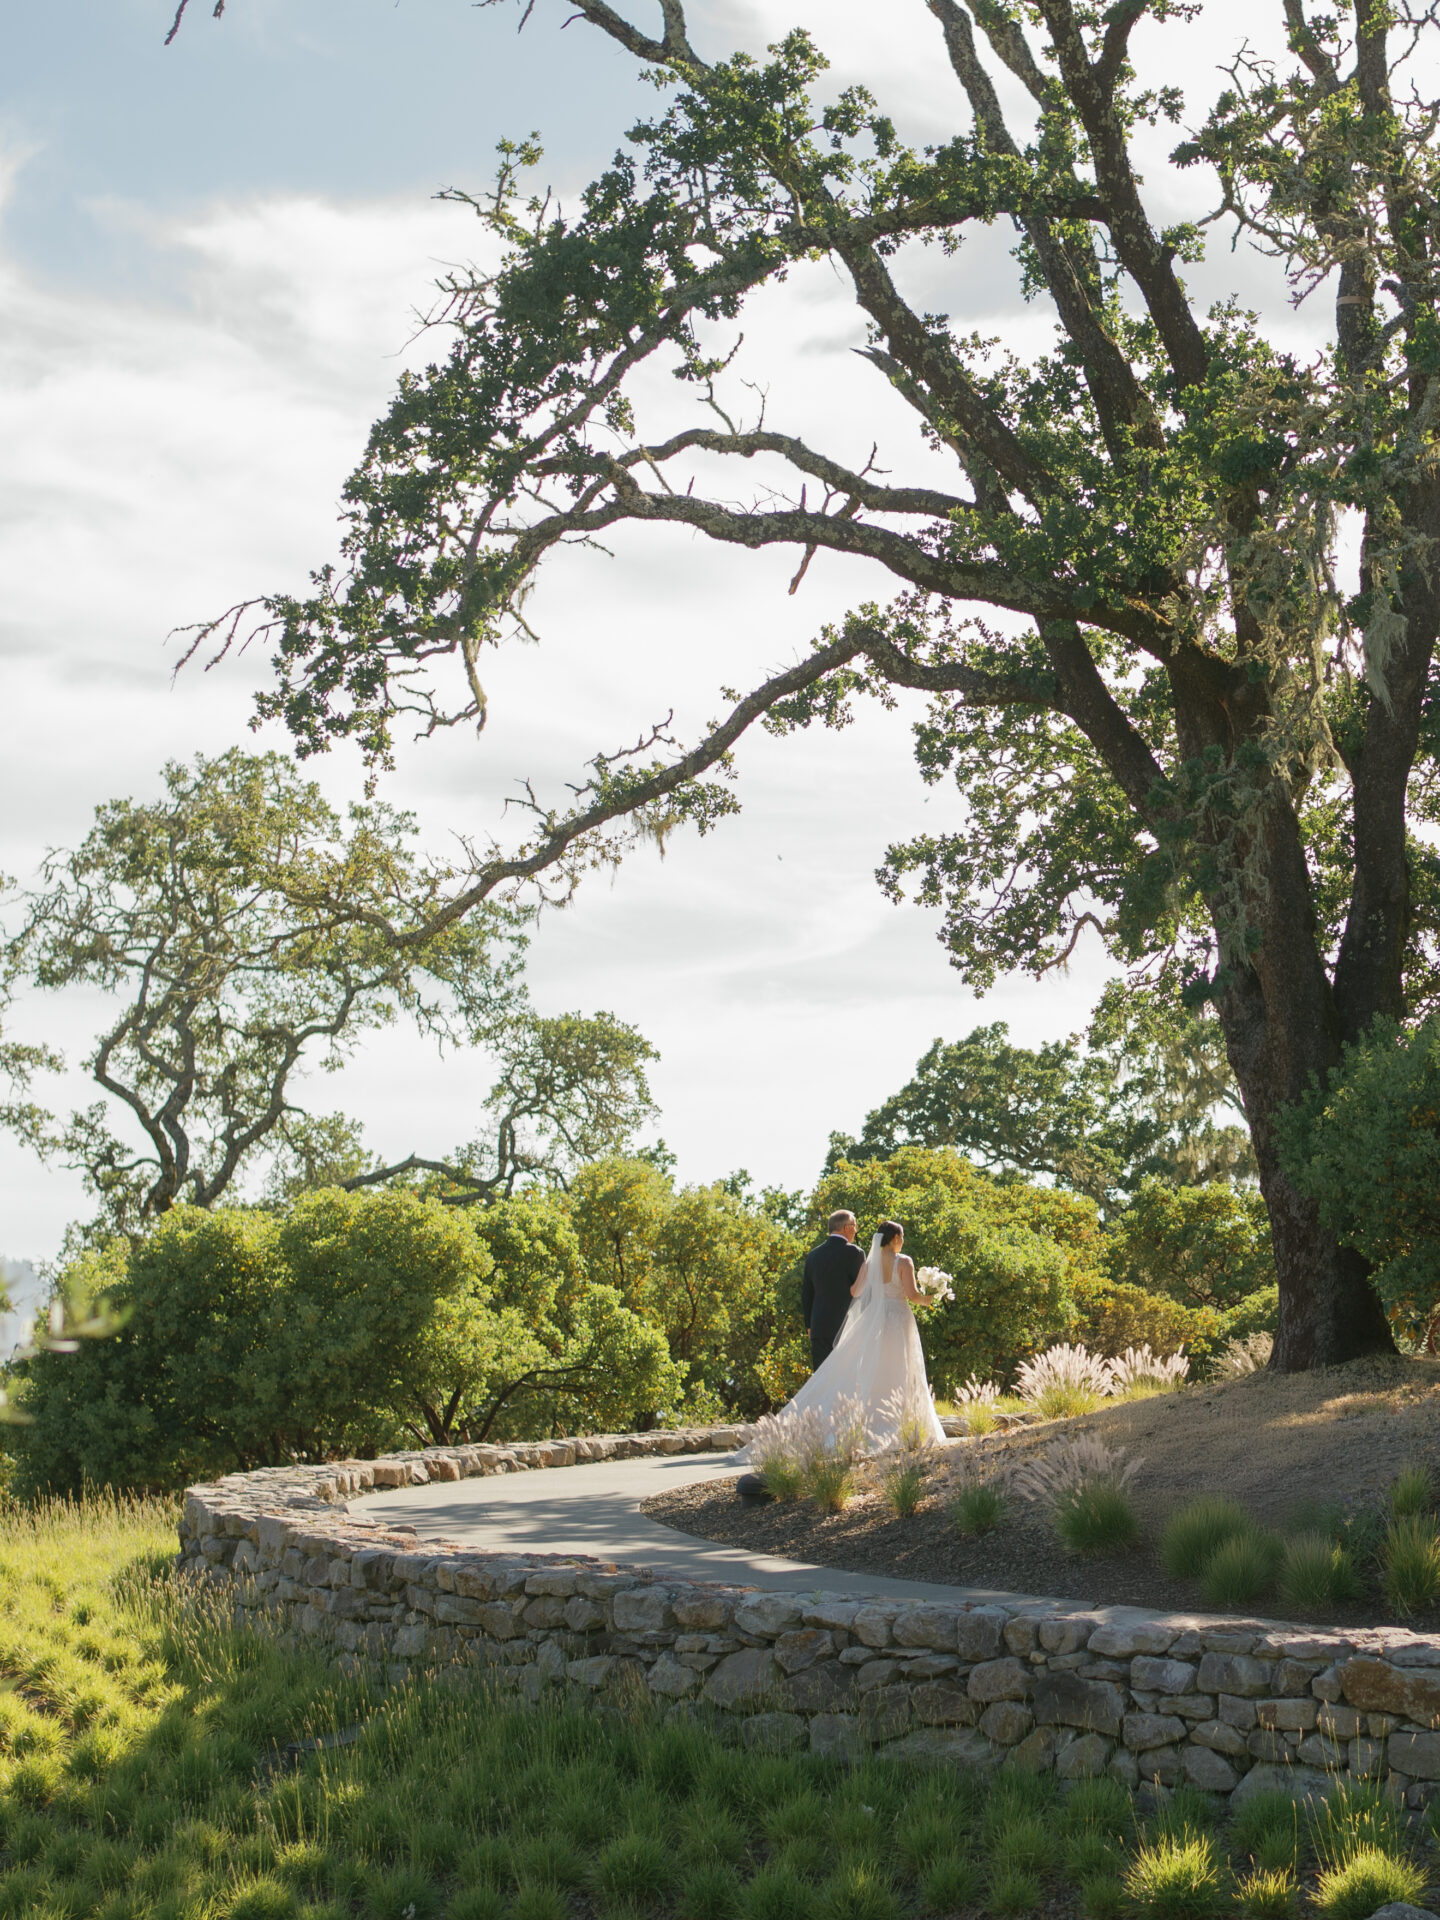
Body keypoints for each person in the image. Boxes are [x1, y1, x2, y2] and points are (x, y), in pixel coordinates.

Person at [772, 1218, 946, 1450]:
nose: (903, 1241)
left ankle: (874, 1425)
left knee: (878, 1370)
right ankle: (904, 1427)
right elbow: (913, 1296)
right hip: (899, 1317)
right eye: (902, 1237)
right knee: (903, 1368)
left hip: (877, 1321)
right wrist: (933, 1297)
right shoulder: (904, 1262)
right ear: (895, 1238)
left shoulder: (869, 1262)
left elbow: (855, 1291)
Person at [801, 1209, 864, 1367]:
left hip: (819, 1327)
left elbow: (807, 1293)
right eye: (854, 1226)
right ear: (846, 1228)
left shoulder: (813, 1255)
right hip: (846, 1326)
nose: (855, 1231)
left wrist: (809, 1325)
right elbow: (862, 1291)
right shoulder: (855, 1253)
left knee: (822, 1380)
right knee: (846, 1381)